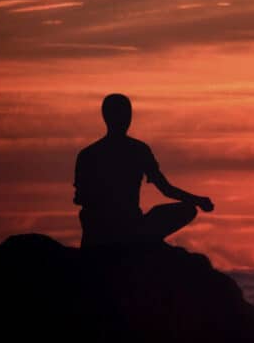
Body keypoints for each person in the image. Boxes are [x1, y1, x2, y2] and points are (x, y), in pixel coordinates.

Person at [74, 93, 214, 248]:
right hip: (127, 228)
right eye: (122, 114)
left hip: (104, 229)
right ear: (108, 117)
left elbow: (80, 199)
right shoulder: (138, 150)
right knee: (188, 209)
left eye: (127, 114)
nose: (125, 119)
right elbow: (166, 189)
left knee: (187, 209)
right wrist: (198, 201)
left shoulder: (87, 154)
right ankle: (141, 243)